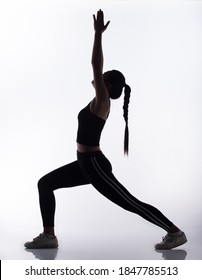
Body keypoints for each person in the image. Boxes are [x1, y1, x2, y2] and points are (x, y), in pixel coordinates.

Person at [25, 10, 187, 250]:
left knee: (129, 203)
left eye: (103, 77)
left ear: (106, 84)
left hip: (94, 165)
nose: (98, 76)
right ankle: (49, 236)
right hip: (84, 162)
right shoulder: (97, 101)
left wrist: (97, 35)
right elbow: (97, 69)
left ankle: (175, 232)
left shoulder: (102, 101)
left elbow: (95, 63)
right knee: (45, 183)